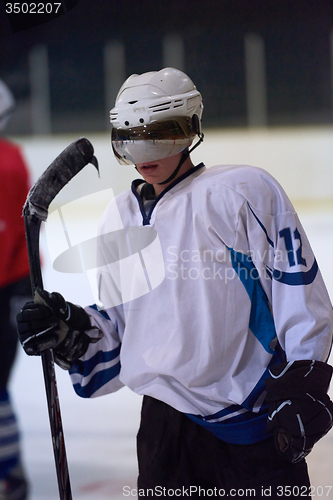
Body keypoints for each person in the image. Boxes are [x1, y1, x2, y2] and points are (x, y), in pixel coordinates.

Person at [17, 68, 333, 499]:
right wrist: (70, 330)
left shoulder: (243, 193)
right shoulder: (120, 217)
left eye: (156, 135)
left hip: (253, 425)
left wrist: (303, 383)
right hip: (163, 433)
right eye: (128, 138)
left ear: (189, 130)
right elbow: (121, 336)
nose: (142, 151)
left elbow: (298, 293)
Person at [0, 79, 30, 499]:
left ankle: (11, 473)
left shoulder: (5, 163)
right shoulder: (12, 156)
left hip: (8, 288)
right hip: (15, 286)